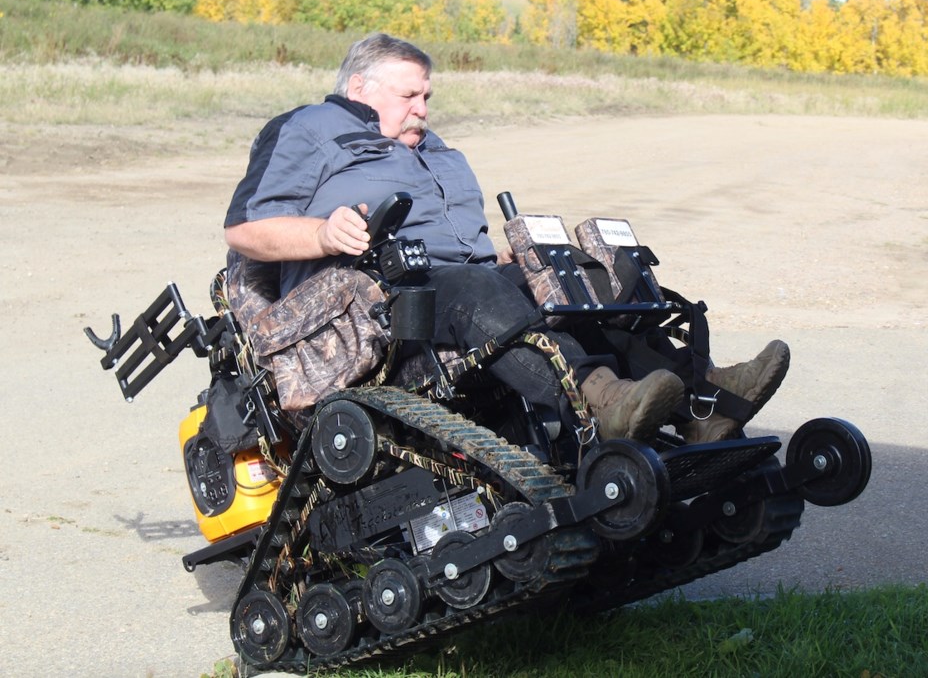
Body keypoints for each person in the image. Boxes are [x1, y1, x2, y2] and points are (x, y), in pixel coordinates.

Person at [224, 33, 789, 444]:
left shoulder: (430, 146)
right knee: (477, 289)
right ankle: (601, 402)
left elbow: (464, 245)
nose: (422, 109)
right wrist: (323, 233)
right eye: (409, 97)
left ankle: (703, 400)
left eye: (426, 97)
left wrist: (509, 254)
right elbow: (245, 228)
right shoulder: (308, 128)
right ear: (357, 87)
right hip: (374, 304)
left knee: (585, 275)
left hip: (459, 280)